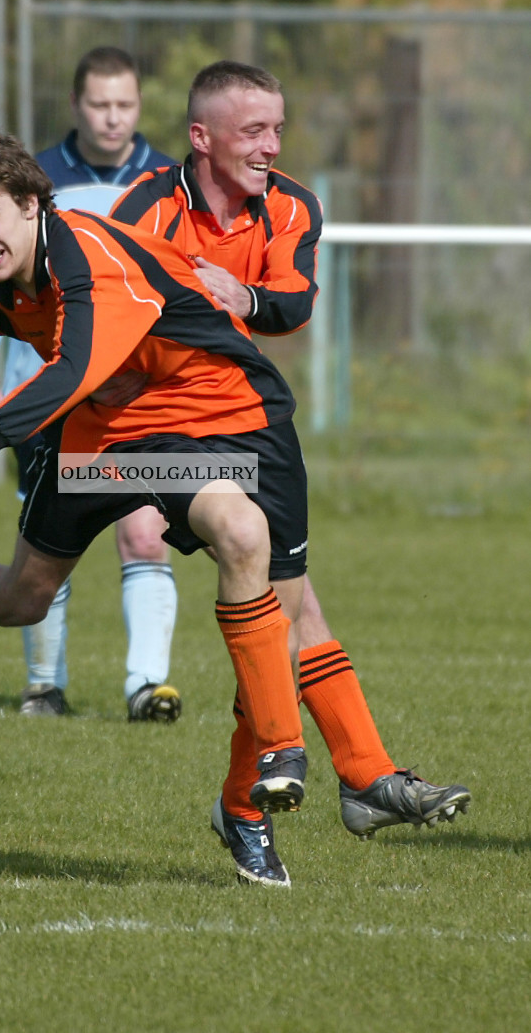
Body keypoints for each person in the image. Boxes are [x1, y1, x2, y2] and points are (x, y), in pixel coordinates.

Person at [0, 119, 317, 887]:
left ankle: (252, 793)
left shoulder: (92, 258)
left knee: (244, 539)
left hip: (211, 430)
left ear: (33, 201)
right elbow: (69, 377)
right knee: (22, 595)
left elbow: (71, 369)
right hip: (99, 453)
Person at [109, 60, 471, 883]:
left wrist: (238, 295)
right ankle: (299, 759)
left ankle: (301, 791)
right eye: (253, 131)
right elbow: (107, 312)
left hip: (249, 419)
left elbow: (291, 303)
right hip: (151, 425)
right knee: (35, 587)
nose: (271, 145)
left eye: (277, 128)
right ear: (201, 138)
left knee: (287, 599)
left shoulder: (294, 204)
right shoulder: (144, 211)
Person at [0, 46, 178, 722]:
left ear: (139, 106)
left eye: (125, 105)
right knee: (46, 549)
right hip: (42, 394)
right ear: (77, 106)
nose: (112, 118)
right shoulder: (25, 183)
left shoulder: (166, 183)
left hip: (132, 400)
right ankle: (45, 685)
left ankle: (147, 687)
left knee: (145, 532)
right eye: (100, 104)